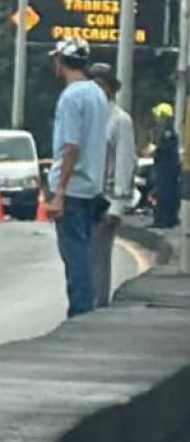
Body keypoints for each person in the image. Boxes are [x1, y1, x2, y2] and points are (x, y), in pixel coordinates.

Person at [47, 37, 109, 318]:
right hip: (90, 187)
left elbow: (71, 145)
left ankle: (81, 314)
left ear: (60, 61)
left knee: (75, 257)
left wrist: (59, 191)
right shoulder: (97, 93)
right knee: (83, 251)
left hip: (72, 189)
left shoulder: (71, 96)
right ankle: (85, 309)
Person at [88, 64, 136, 308]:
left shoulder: (119, 121)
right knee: (80, 260)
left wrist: (117, 205)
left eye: (102, 84)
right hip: (83, 197)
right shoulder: (87, 116)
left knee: (98, 259)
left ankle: (98, 305)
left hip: (105, 199)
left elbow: (125, 163)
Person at [151, 102, 180, 229]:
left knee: (165, 194)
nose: (156, 119)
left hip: (168, 170)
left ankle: (165, 220)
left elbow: (166, 150)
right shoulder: (163, 132)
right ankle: (159, 219)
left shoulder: (168, 133)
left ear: (164, 117)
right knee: (160, 193)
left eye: (159, 116)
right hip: (163, 169)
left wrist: (156, 151)